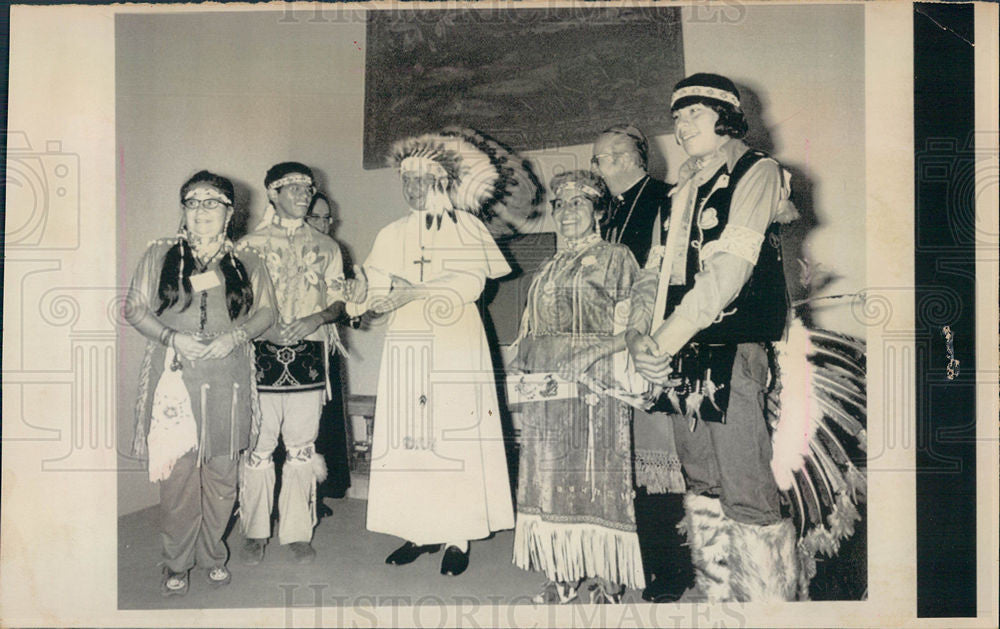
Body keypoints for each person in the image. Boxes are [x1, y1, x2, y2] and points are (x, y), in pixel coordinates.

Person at [626, 73, 800, 602]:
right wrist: (638, 336)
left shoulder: (758, 171)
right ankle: (721, 594)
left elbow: (727, 272)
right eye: (676, 118)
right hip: (680, 354)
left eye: (693, 115)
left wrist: (662, 342)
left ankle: (768, 606)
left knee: (746, 491)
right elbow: (651, 276)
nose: (680, 127)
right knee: (700, 481)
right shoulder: (678, 192)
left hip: (732, 349)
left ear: (725, 118)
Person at [346, 130, 515, 577]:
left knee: (454, 434)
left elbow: (471, 285)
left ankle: (458, 534)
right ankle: (420, 529)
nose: (412, 188)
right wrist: (357, 297)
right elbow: (376, 287)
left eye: (421, 179)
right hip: (408, 346)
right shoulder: (392, 232)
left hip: (456, 344)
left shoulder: (468, 227)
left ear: (442, 181)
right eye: (406, 180)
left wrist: (410, 292)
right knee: (412, 435)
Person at [127, 170, 276, 596]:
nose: (202, 210)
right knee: (177, 480)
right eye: (193, 201)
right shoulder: (160, 253)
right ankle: (176, 561)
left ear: (230, 212)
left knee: (222, 477)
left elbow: (266, 312)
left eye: (213, 202)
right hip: (176, 377)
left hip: (228, 380)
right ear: (183, 211)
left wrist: (236, 336)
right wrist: (173, 338)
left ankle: (213, 555)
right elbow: (135, 308)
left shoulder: (249, 261)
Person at [507, 170, 651, 604]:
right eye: (561, 204)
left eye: (578, 203)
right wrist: (520, 364)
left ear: (599, 212)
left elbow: (632, 328)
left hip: (596, 383)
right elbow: (532, 328)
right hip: (548, 387)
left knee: (598, 478)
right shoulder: (549, 265)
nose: (567, 211)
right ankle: (563, 573)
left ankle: (607, 579)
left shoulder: (617, 257)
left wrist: (589, 356)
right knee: (550, 478)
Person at [238, 162, 357, 565]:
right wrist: (265, 330)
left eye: (308, 188)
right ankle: (254, 530)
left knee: (302, 447)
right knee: (258, 446)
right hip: (259, 354)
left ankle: (296, 532)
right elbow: (236, 306)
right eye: (293, 188)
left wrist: (317, 317)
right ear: (272, 193)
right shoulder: (248, 246)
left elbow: (340, 300)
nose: (304, 194)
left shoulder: (327, 247)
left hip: (309, 355)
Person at [590, 124, 690, 602]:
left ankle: (670, 568)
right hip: (606, 347)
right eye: (597, 157)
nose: (601, 163)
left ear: (636, 157)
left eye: (609, 154)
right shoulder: (603, 213)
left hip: (649, 342)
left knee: (656, 461)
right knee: (618, 460)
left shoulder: (666, 199)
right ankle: (629, 561)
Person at [303, 193, 352, 507]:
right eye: (316, 217)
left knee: (326, 414)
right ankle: (300, 493)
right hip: (297, 344)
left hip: (327, 341)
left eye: (327, 217)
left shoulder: (335, 251)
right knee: (300, 421)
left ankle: (324, 488)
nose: (324, 224)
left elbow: (343, 302)